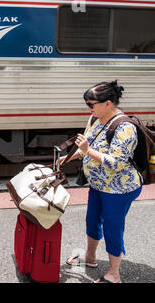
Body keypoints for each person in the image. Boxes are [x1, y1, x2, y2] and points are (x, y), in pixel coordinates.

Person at [60, 80, 142, 283]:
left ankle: (114, 274)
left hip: (119, 189)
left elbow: (116, 163)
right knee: (92, 220)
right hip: (98, 185)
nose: (89, 108)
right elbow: (87, 144)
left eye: (91, 104)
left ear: (108, 103)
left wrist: (88, 151)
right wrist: (71, 156)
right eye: (87, 103)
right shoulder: (97, 119)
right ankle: (90, 257)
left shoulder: (125, 128)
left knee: (112, 229)